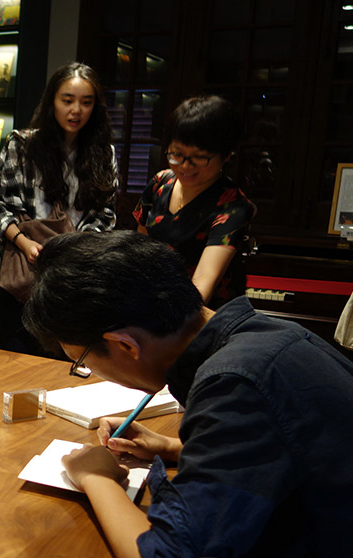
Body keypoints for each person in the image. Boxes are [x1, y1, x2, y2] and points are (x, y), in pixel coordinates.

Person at [22, 231, 353, 558]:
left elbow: (165, 553)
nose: (88, 369)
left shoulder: (235, 384)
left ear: (125, 344)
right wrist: (172, 447)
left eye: (81, 361)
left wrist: (96, 478)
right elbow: (287, 452)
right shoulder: (269, 334)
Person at [0, 62, 118, 354]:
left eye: (86, 102)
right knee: (17, 356)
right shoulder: (21, 144)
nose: (76, 110)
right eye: (67, 100)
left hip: (75, 271)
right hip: (26, 265)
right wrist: (25, 243)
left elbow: (105, 213)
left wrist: (74, 249)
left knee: (69, 356)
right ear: (52, 101)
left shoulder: (103, 153)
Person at [133, 95, 255, 309]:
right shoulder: (159, 183)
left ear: (226, 155)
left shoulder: (233, 206)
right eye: (177, 154)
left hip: (202, 313)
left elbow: (201, 287)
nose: (185, 166)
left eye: (199, 157)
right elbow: (138, 250)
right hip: (151, 301)